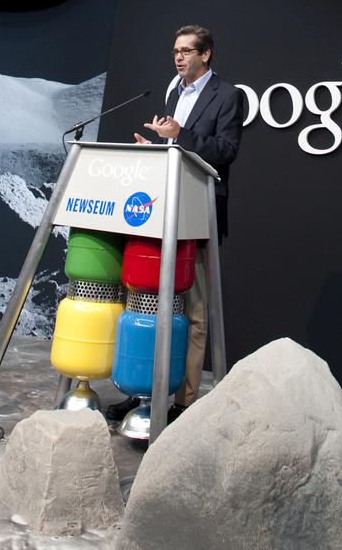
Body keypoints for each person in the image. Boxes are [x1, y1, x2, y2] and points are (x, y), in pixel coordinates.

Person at [106, 24, 244, 424]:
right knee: (149, 305)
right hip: (160, 209)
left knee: (194, 312)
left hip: (197, 214)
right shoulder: (172, 92)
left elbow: (226, 151)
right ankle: (142, 391)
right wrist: (158, 149)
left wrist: (180, 136)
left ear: (206, 54)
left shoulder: (227, 95)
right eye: (175, 51)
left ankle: (182, 402)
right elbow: (175, 150)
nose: (178, 57)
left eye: (186, 51)